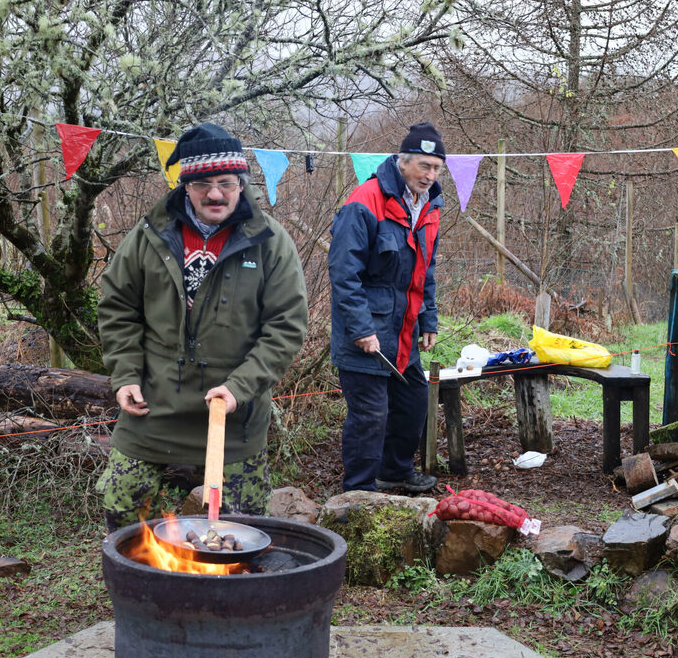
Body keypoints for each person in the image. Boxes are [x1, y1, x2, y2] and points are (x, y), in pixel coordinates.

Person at [97, 122, 308, 530]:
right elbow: (118, 307)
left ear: (241, 183)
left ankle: (226, 591)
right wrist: (124, 375)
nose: (216, 194)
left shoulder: (269, 241)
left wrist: (240, 389)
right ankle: (149, 585)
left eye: (227, 183)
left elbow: (286, 326)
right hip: (153, 403)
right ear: (185, 186)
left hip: (233, 410)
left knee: (240, 528)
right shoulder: (149, 235)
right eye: (203, 184)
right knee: (122, 508)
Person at [328, 122, 446, 494]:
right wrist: (362, 329)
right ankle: (358, 492)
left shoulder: (430, 205)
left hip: (405, 334)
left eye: (437, 168)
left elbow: (425, 269)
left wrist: (428, 318)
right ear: (402, 162)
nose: (430, 175)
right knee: (369, 416)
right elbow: (344, 274)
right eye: (423, 166)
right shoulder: (364, 202)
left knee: (414, 403)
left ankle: (394, 471)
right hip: (366, 336)